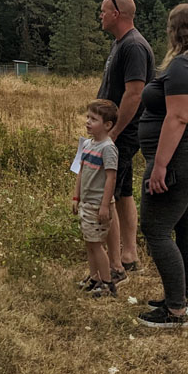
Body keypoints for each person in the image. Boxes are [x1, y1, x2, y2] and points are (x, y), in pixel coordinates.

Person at [137, 4, 188, 329]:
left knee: (156, 230)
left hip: (180, 157)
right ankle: (185, 298)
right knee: (186, 225)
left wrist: (160, 166)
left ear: (177, 29)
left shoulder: (185, 66)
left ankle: (175, 312)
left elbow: (179, 117)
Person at [98, 0, 155, 283]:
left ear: (117, 14)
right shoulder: (121, 44)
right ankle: (130, 255)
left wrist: (113, 133)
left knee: (107, 195)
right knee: (123, 193)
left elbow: (134, 94)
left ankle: (116, 266)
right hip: (116, 133)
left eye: (104, 10)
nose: (101, 15)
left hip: (123, 133)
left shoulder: (133, 46)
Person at [72, 99, 119, 298]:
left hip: (98, 205)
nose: (88, 122)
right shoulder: (88, 144)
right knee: (89, 242)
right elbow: (81, 171)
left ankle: (107, 283)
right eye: (88, 117)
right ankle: (94, 278)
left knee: (97, 244)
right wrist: (76, 196)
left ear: (107, 125)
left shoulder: (108, 148)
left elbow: (111, 177)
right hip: (86, 202)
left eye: (94, 119)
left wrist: (105, 205)